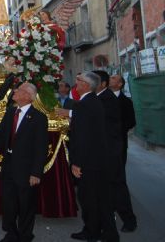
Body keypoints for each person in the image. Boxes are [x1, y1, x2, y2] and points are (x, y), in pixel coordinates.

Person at [0, 83, 48, 242]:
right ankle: (11, 233)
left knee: (26, 204)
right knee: (8, 202)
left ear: (28, 96)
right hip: (9, 165)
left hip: (27, 169)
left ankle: (25, 236)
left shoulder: (38, 118)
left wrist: (36, 173)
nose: (15, 91)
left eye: (20, 89)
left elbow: (41, 148)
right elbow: (0, 137)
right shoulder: (11, 112)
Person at [64, 72, 119, 242]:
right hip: (97, 160)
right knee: (99, 198)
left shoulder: (85, 104)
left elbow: (83, 137)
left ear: (87, 85)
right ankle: (103, 232)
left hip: (89, 161)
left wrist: (77, 163)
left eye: (79, 81)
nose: (76, 83)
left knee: (90, 199)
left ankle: (93, 232)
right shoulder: (90, 102)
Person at [93, 71, 137, 233]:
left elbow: (129, 121)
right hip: (105, 147)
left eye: (114, 78)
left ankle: (128, 219)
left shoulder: (123, 101)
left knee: (117, 182)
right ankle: (108, 214)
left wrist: (117, 131)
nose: (112, 79)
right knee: (107, 183)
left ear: (119, 84)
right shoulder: (101, 97)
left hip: (115, 147)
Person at [109, 74, 136, 165]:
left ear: (120, 84)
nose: (110, 79)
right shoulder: (100, 99)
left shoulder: (126, 102)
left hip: (120, 141)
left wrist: (118, 129)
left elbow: (131, 121)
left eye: (113, 78)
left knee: (119, 168)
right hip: (103, 142)